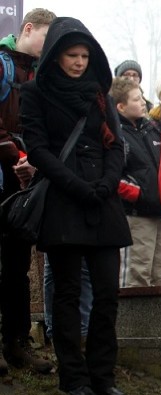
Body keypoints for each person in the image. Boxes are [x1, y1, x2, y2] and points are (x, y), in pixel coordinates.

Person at [21, 17, 133, 395]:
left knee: (107, 295)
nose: (79, 62)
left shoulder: (99, 93)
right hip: (64, 202)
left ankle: (103, 374)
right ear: (56, 54)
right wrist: (77, 185)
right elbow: (37, 148)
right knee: (66, 294)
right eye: (72, 55)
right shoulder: (35, 91)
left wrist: (105, 184)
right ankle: (73, 377)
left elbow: (116, 145)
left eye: (85, 55)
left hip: (102, 202)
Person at [0, 8, 55, 375]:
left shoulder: (43, 74)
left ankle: (17, 342)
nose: (50, 47)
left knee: (18, 266)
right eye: (46, 38)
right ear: (28, 28)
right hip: (4, 172)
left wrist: (33, 159)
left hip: (24, 182)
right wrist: (15, 151)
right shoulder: (3, 65)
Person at [111, 77, 161, 288]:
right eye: (136, 99)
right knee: (136, 278)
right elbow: (113, 176)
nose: (143, 103)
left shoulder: (152, 129)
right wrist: (141, 196)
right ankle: (133, 323)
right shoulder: (115, 135)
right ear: (121, 106)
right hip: (136, 217)